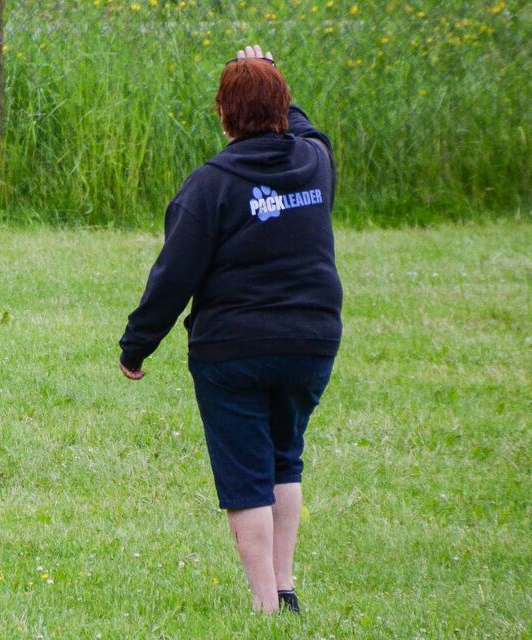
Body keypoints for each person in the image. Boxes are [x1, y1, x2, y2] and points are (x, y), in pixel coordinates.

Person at [118, 45, 343, 614]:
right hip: (312, 342)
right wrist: (272, 74)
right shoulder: (315, 163)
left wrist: (137, 346)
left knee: (246, 475)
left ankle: (266, 607)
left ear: (222, 115)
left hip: (233, 352)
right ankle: (285, 589)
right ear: (285, 108)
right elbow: (308, 130)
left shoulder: (209, 186)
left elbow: (173, 277)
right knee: (285, 458)